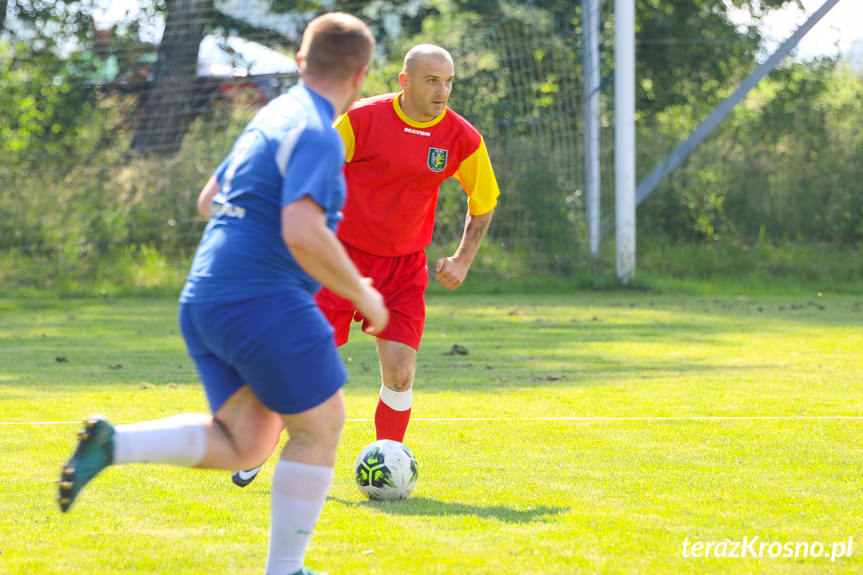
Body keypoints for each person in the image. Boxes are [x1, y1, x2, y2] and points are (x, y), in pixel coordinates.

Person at [56, 13, 383, 575]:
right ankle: (286, 570)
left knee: (248, 443)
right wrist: (363, 293)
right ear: (361, 76)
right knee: (322, 425)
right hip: (264, 299)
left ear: (302, 64)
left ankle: (114, 444)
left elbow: (210, 201)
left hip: (206, 295)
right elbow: (302, 230)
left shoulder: (269, 118)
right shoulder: (315, 132)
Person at [232, 43, 500, 488]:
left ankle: (388, 467)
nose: (443, 91)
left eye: (449, 81)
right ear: (405, 81)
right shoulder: (361, 119)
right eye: (432, 80)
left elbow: (484, 201)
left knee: (400, 372)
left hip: (403, 271)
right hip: (340, 262)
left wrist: (463, 258)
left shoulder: (462, 138)